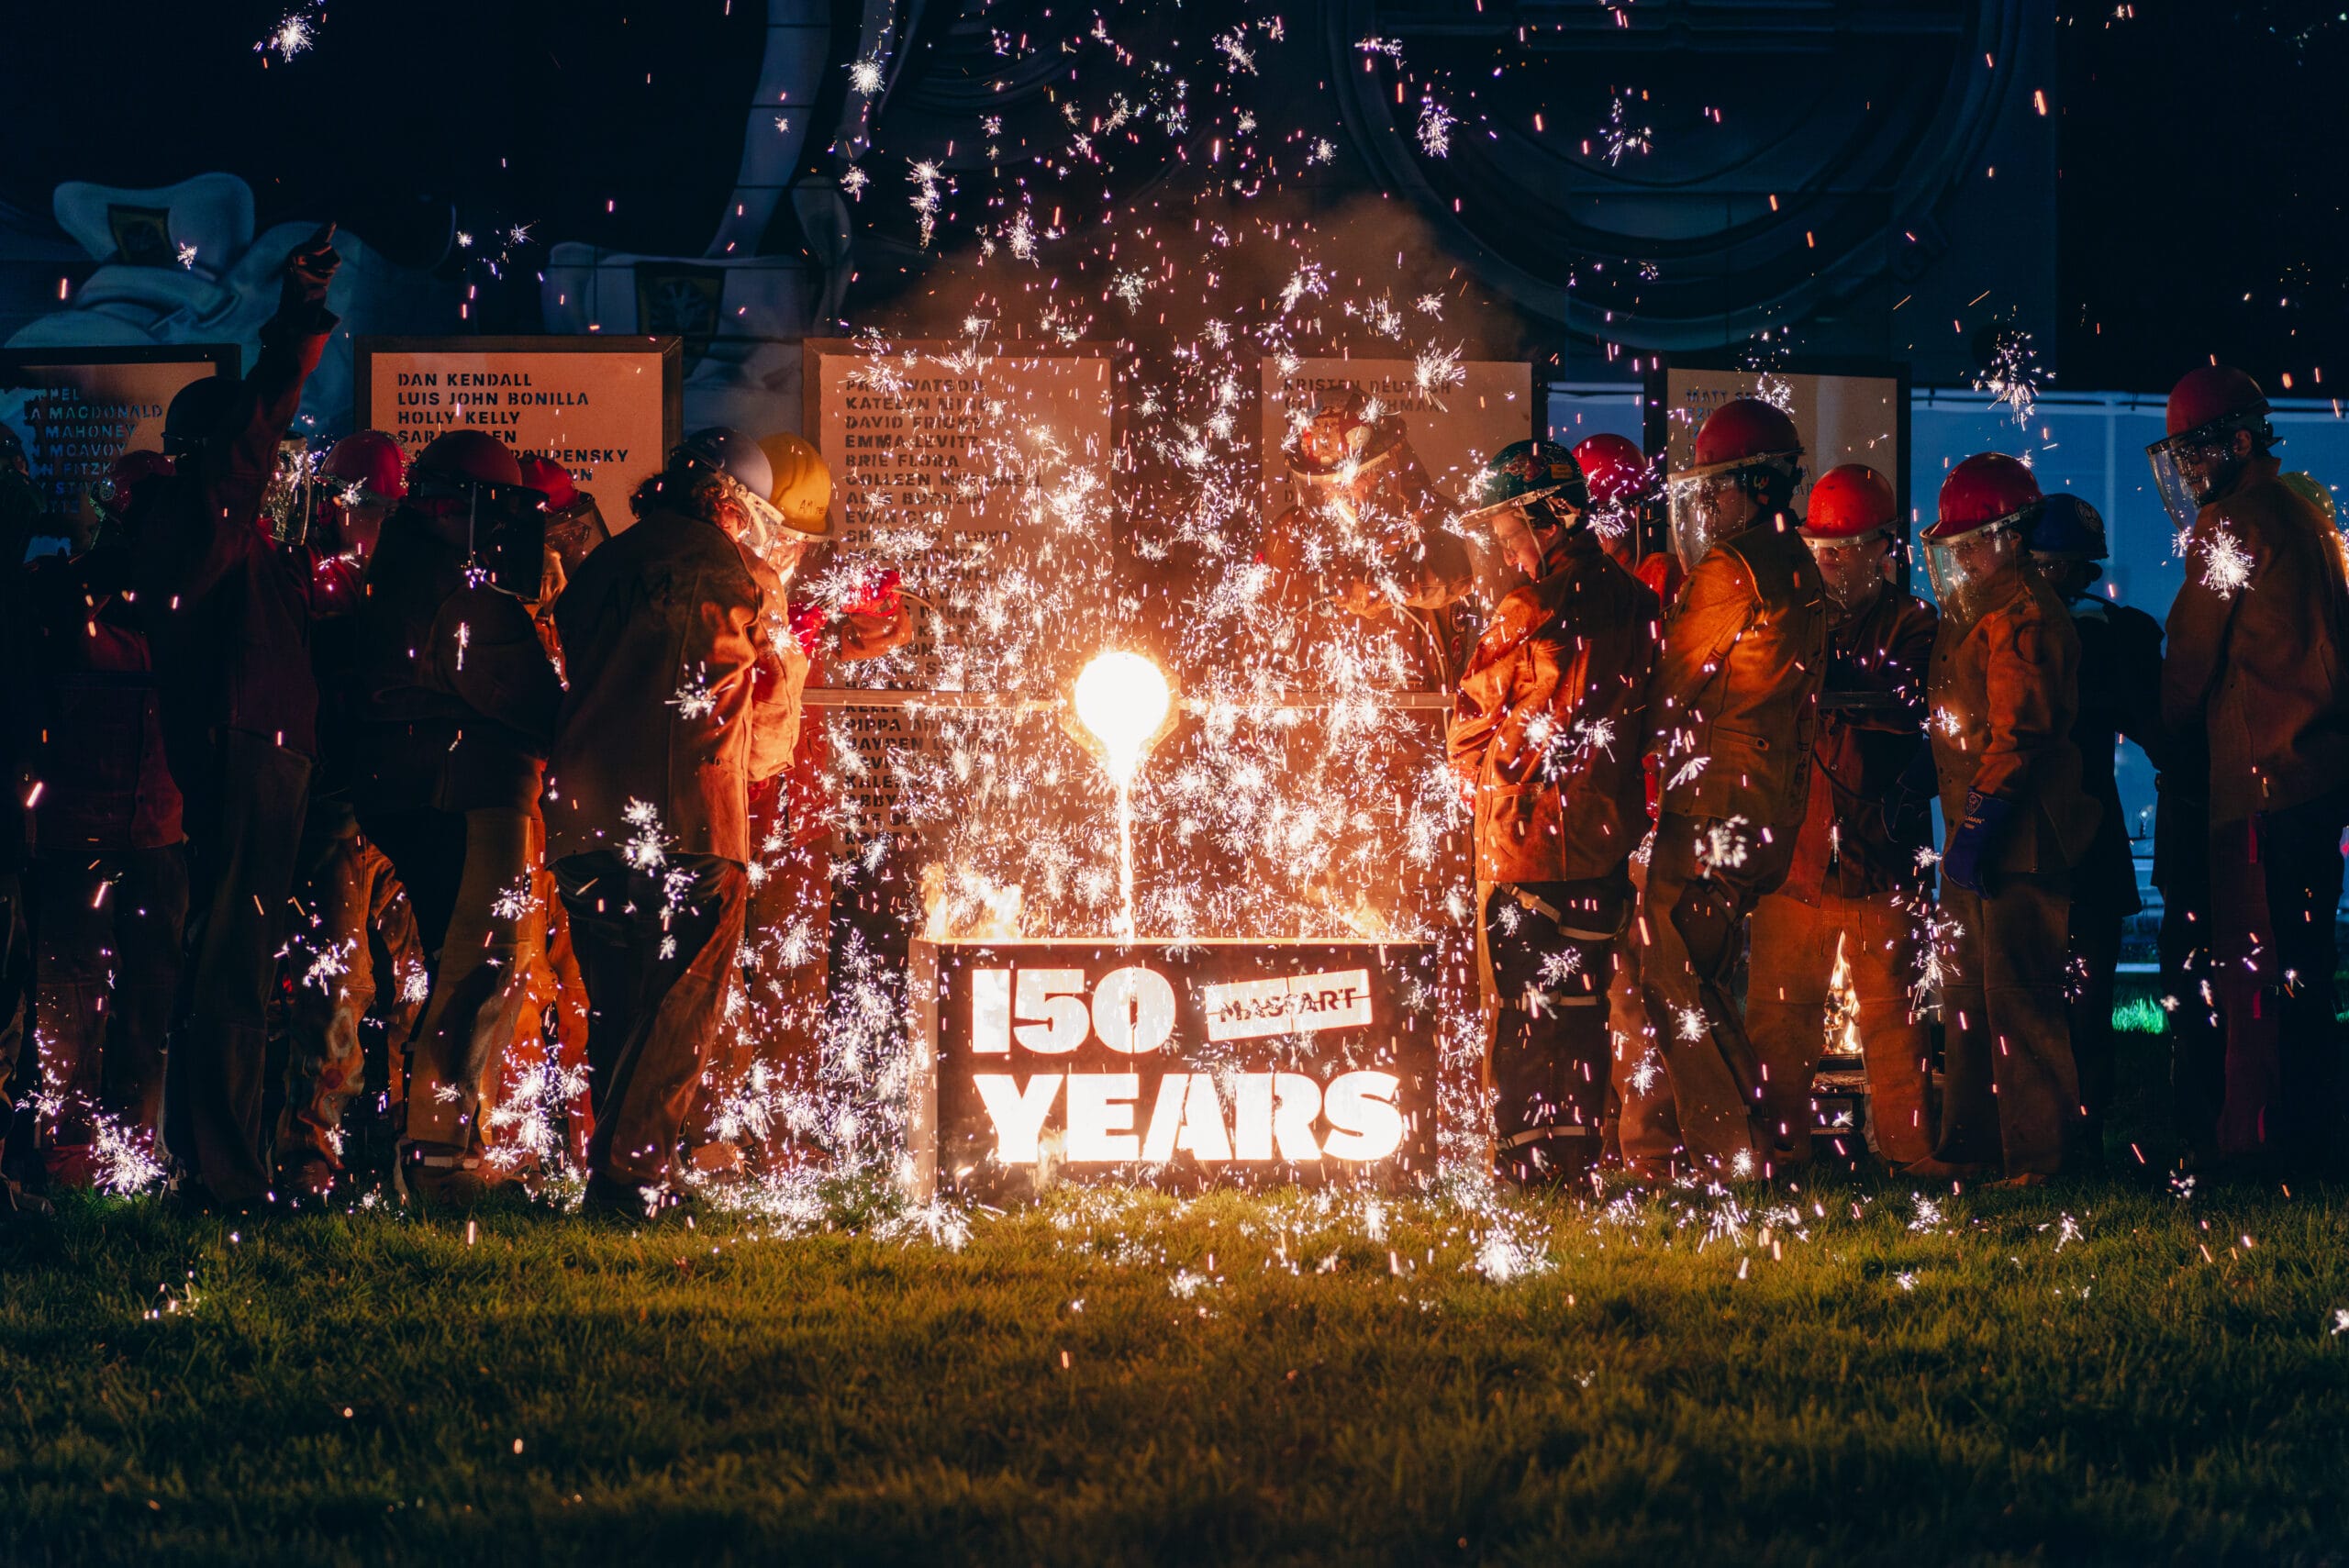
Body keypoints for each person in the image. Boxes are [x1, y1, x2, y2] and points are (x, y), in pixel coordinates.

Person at [127, 225, 340, 1211]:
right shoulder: (193, 515)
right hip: (243, 742)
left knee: (238, 963)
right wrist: (295, 331)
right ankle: (223, 1174)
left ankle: (221, 1166)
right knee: (229, 969)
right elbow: (251, 437)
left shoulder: (223, 535)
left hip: (260, 743)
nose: (273, 467)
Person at [545, 429, 806, 1216]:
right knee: (681, 1006)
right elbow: (768, 743)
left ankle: (613, 1180)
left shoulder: (596, 571)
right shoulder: (747, 576)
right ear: (731, 506)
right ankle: (631, 1183)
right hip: (694, 820)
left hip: (584, 823)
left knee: (621, 1005)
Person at [351, 429, 563, 1203]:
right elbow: (541, 705)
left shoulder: (399, 570)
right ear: (468, 508)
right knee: (480, 969)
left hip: (422, 791)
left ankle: (445, 1148)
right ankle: (441, 1161)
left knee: (457, 970)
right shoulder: (463, 596)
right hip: (468, 794)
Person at [2152, 365, 2349, 1169]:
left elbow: (2188, 666)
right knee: (2307, 972)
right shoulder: (2305, 515)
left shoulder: (2229, 527)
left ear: (2240, 442)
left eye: (2200, 456)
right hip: (2318, 782)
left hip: (2262, 784)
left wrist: (2163, 731)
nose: (2194, 476)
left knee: (2255, 976)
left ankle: (2256, 1147)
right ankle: (2317, 1133)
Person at [1626, 397, 1829, 1176]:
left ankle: (1733, 1149)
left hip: (1713, 809)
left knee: (1673, 970)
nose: (1707, 505)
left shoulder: (1731, 567)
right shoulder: (1796, 560)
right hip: (1767, 803)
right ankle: (1756, 1138)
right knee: (1703, 975)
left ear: (1755, 485)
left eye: (1717, 489)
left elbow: (1671, 683)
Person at [1447, 440, 1658, 1184]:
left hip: (1523, 847)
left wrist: (1484, 779)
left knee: (1520, 1008)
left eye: (1511, 528)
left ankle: (1518, 1162)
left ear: (1549, 517)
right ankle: (1574, 1155)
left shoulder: (1527, 608)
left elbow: (1469, 725)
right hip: (1603, 845)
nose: (1506, 546)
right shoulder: (1639, 603)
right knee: (1582, 1006)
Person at [1744, 463, 1938, 1170]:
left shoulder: (1913, 624)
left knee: (1896, 1022)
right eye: (1821, 549)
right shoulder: (1793, 620)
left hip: (1880, 854)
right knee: (1777, 1019)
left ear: (1882, 546)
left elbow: (1901, 704)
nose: (1829, 562)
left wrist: (1813, 683)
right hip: (1797, 860)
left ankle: (1913, 1153)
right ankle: (1778, 1153)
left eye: (1844, 548)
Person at [1912, 454, 2099, 1185]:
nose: (1959, 553)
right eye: (1954, 542)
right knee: (1966, 997)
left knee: (2020, 998)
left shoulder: (2023, 617)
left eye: (1973, 538)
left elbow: (2017, 736)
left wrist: (1980, 827)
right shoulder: (1981, 609)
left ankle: (2042, 1157)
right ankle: (1973, 1143)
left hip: (2021, 840)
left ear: (2014, 535)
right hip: (1979, 833)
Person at [9, 455, 186, 1187]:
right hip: (76, 838)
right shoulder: (59, 596)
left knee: (151, 1007)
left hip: (158, 833)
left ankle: (136, 1154)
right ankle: (73, 1157)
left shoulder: (183, 599)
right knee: (72, 1013)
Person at [275, 431, 429, 1198]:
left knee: (421, 981)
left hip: (403, 809)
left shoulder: (409, 586)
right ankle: (313, 1144)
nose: (374, 526)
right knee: (336, 983)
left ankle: (402, 1139)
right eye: (368, 511)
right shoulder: (308, 584)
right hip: (337, 811)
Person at [2023, 494, 2165, 1162]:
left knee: (2052, 993)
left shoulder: (2025, 634)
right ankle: (2076, 1130)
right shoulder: (2118, 635)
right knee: (2084, 990)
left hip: (2037, 843)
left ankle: (2060, 1131)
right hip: (2087, 842)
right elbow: (2161, 730)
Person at [1574, 431, 1683, 607]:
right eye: (1579, 520)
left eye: (1598, 516)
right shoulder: (1578, 584)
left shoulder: (1663, 575)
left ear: (1631, 513)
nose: (1586, 530)